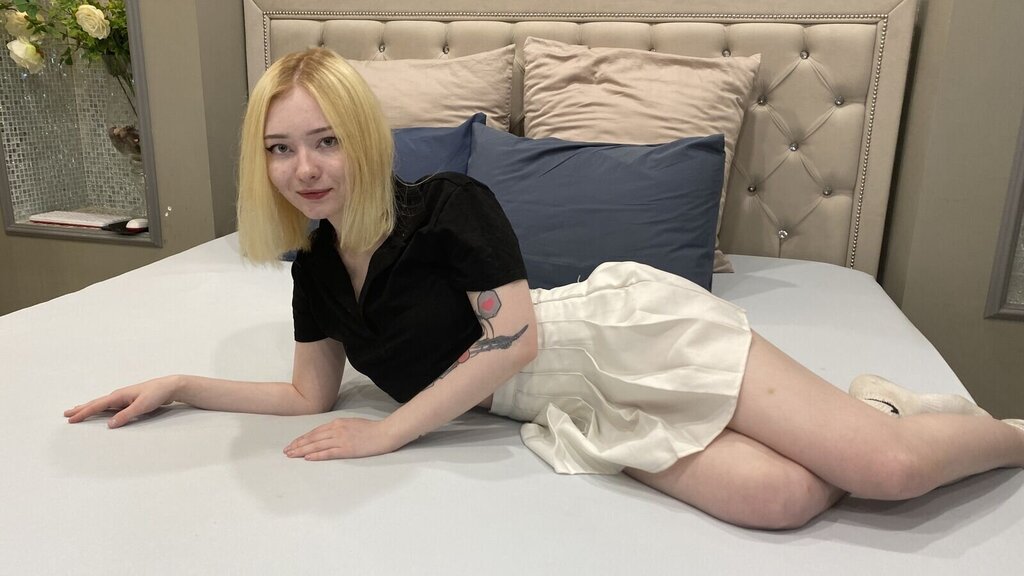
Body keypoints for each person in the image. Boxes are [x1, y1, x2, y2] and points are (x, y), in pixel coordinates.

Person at [63, 48, 1024, 530]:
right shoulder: (315, 267)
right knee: (784, 499)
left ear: (362, 136)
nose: (304, 168)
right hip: (560, 408)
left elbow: (512, 340)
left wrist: (390, 433)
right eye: (280, 148)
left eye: (324, 140)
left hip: (613, 335)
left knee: (888, 473)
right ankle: (873, 407)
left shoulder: (447, 205)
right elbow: (307, 394)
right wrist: (180, 384)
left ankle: (994, 433)